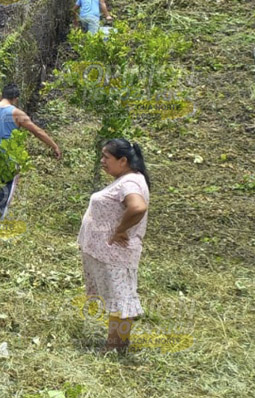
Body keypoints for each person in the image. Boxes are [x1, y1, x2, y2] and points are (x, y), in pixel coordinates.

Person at [78, 138, 150, 354]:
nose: (102, 161)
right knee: (117, 301)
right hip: (108, 253)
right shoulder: (127, 179)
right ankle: (117, 344)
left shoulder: (130, 182)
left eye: (106, 157)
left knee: (121, 301)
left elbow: (138, 207)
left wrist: (120, 230)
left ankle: (115, 346)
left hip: (115, 254)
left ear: (123, 160)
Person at [0, 84, 61, 222]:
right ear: (16, 99)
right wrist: (54, 146)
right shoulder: (17, 114)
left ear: (1, 95)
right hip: (5, 161)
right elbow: (37, 131)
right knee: (3, 191)